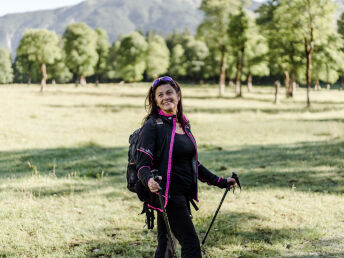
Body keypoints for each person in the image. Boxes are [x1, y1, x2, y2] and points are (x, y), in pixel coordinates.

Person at [136, 76, 236, 258]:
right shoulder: (152, 126)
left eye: (169, 92)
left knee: (166, 246)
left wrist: (220, 181)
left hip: (182, 194)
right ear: (155, 100)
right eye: (160, 95)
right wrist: (149, 180)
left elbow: (192, 163)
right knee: (191, 245)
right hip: (167, 195)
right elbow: (143, 165)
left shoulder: (183, 123)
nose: (165, 97)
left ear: (178, 95)